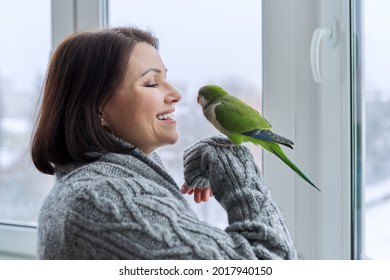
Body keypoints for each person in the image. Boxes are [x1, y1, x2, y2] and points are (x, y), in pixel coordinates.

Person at [31, 26, 297, 259]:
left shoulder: (96, 188)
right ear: (98, 108)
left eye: (166, 78)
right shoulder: (103, 202)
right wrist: (235, 167)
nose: (176, 95)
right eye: (151, 82)